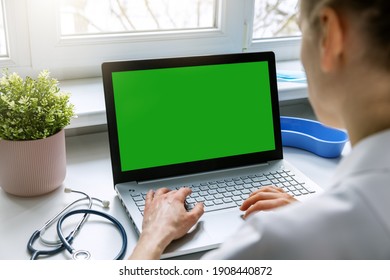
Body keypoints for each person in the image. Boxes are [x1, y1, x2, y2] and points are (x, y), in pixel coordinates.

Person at [129, 0, 390, 259]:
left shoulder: (274, 242)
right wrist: (307, 211)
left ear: (329, 37)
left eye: (302, 32)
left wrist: (154, 234)